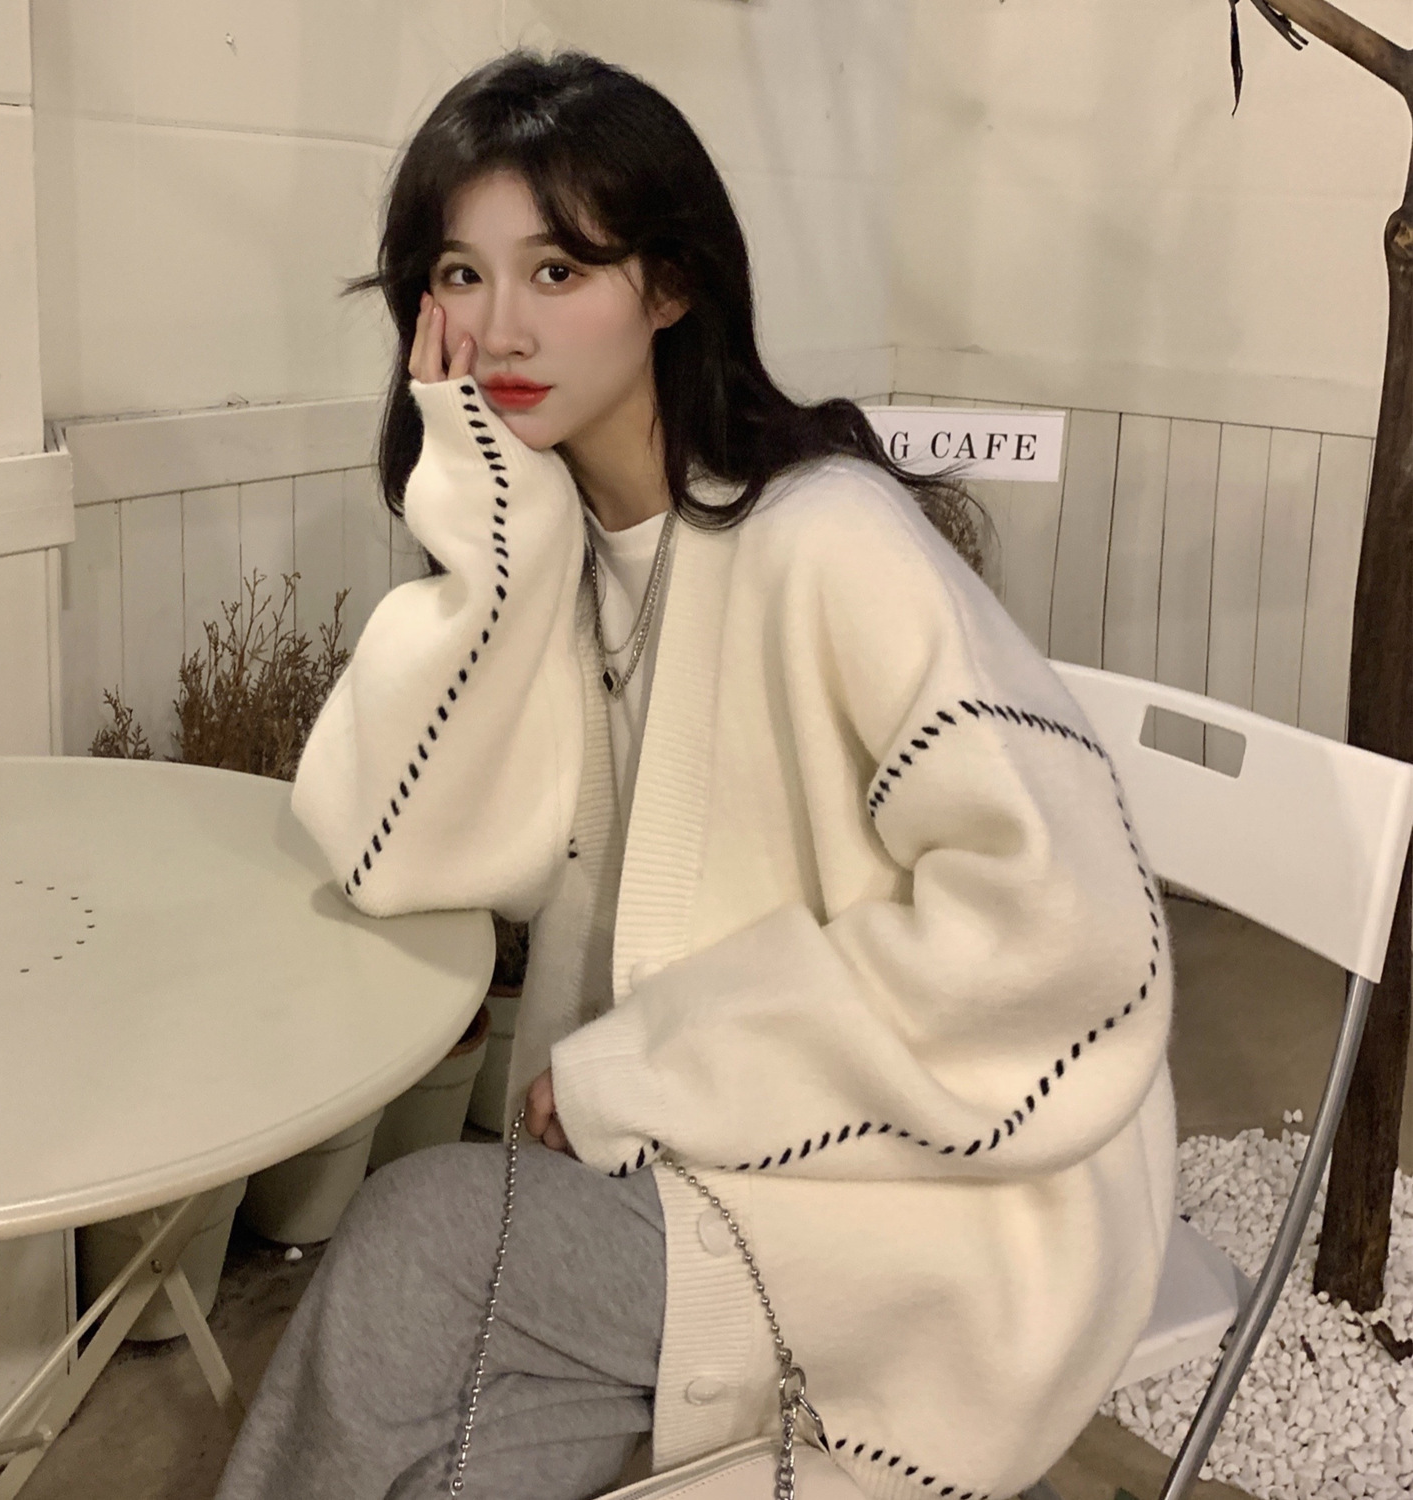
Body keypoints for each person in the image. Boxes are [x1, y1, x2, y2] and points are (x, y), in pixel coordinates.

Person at [214, 49, 1176, 1500]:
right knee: (430, 1456)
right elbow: (392, 849)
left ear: (668, 286)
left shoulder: (828, 540)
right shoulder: (566, 547)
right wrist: (485, 518)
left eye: (557, 270)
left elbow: (1074, 941)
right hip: (685, 1167)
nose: (501, 326)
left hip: (934, 1190)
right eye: (463, 276)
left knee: (421, 1241)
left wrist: (654, 1068)